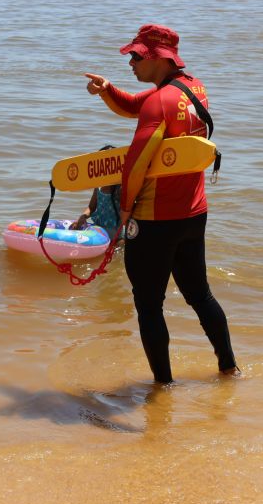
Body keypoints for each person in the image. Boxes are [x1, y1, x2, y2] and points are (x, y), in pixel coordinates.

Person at [84, 24, 238, 383]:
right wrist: (108, 90)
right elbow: (137, 106)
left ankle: (163, 387)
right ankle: (229, 368)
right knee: (200, 295)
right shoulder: (192, 88)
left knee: (149, 305)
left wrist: (124, 210)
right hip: (193, 213)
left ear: (156, 57)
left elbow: (137, 162)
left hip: (154, 220)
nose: (131, 62)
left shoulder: (159, 100)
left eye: (136, 55)